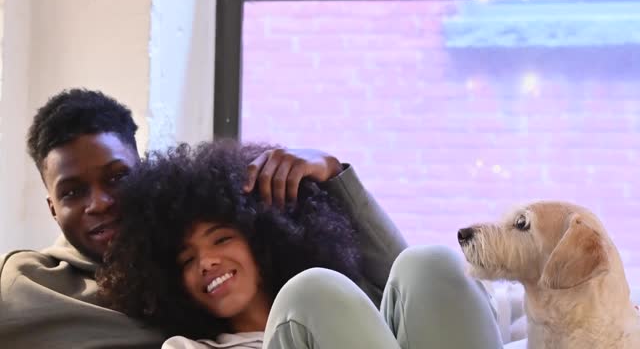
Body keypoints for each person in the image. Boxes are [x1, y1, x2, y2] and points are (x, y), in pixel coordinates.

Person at [0, 89, 407, 348]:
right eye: (72, 192)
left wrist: (333, 177)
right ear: (52, 207)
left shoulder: (235, 252)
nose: (99, 203)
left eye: (117, 178)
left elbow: (404, 294)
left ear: (143, 171)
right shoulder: (27, 283)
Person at [97, 140, 504, 349]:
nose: (206, 262)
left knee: (429, 262)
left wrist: (332, 172)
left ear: (262, 240)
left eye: (221, 239)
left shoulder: (355, 304)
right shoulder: (189, 348)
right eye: (186, 260)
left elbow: (429, 293)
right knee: (311, 294)